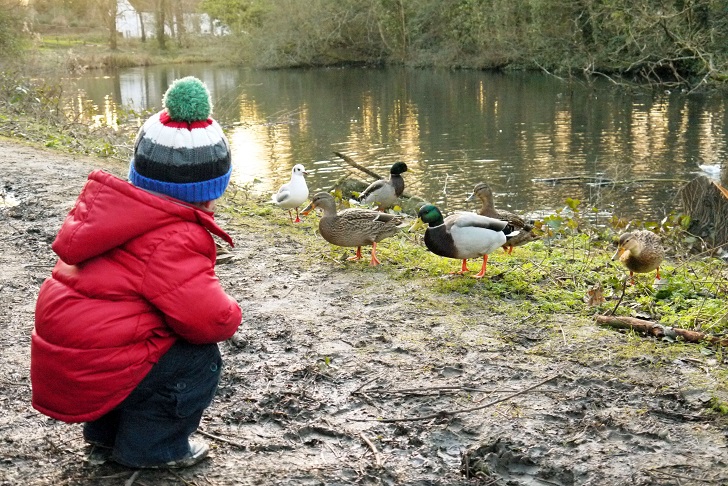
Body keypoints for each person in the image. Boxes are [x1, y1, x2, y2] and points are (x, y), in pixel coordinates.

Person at [30, 76, 242, 469]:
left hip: (73, 368)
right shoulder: (174, 237)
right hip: (98, 365)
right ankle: (154, 449)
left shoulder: (109, 216)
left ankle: (104, 435)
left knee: (127, 334)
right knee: (198, 358)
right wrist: (232, 311)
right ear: (212, 189)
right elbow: (209, 319)